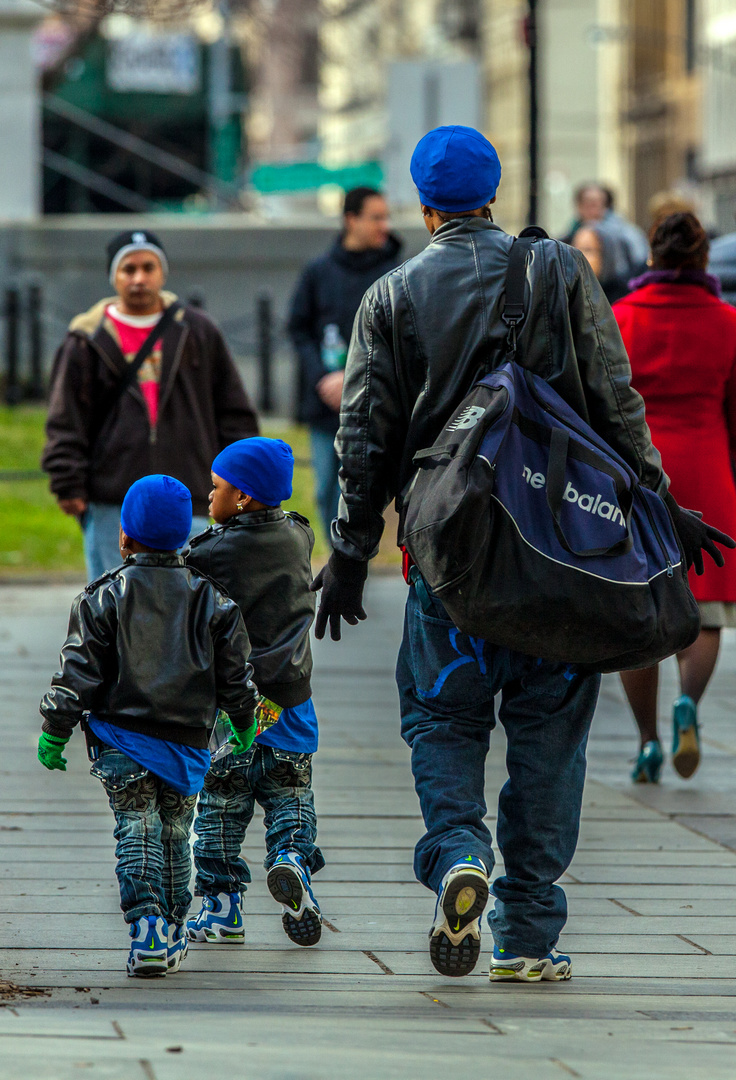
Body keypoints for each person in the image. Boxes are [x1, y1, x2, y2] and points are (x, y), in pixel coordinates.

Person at [310, 125, 731, 984]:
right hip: (560, 553)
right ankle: (528, 931)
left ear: (422, 206)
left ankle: (460, 849)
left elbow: (365, 437)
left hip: (450, 560)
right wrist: (661, 506)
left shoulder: (390, 295)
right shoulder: (562, 271)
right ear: (494, 192)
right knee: (550, 733)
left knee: (442, 717)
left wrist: (349, 552)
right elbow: (616, 402)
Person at [37, 475, 259, 978]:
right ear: (184, 536)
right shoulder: (214, 602)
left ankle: (146, 929)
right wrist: (243, 722)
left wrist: (55, 730)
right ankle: (174, 926)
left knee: (134, 828)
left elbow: (76, 674)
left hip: (120, 738)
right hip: (185, 743)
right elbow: (236, 676)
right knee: (176, 833)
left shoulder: (102, 598)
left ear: (124, 537)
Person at [42, 229, 259, 581]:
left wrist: (240, 480)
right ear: (114, 276)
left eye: (148, 267)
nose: (139, 278)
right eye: (129, 269)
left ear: (163, 272)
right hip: (115, 499)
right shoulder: (86, 338)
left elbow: (233, 411)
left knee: (195, 607)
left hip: (192, 493)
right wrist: (68, 481)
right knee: (117, 607)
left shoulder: (197, 330)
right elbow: (66, 418)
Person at [184, 437, 324, 947]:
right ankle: (291, 857)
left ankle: (221, 907)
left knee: (221, 807)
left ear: (241, 498)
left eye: (217, 487)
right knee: (291, 793)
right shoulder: (299, 536)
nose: (209, 493)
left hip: (235, 710)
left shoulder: (209, 552)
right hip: (291, 702)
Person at [613, 212, 736, 782]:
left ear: (652, 258)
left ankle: (645, 741)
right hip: (709, 468)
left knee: (639, 607)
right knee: (706, 606)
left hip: (639, 476)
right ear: (703, 259)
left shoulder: (621, 318)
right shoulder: (728, 321)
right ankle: (688, 702)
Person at [288, 188, 402, 540]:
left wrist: (355, 379)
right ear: (351, 219)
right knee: (325, 489)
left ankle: (355, 557)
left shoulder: (396, 273)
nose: (385, 225)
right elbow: (298, 329)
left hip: (376, 404)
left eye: (386, 216)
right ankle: (338, 554)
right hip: (327, 405)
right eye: (376, 217)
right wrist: (324, 378)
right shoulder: (318, 271)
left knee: (366, 489)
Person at [571, 219, 635, 304]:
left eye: (588, 250)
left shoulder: (623, 299)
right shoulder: (568, 295)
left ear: (605, 255)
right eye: (575, 250)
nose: (579, 256)